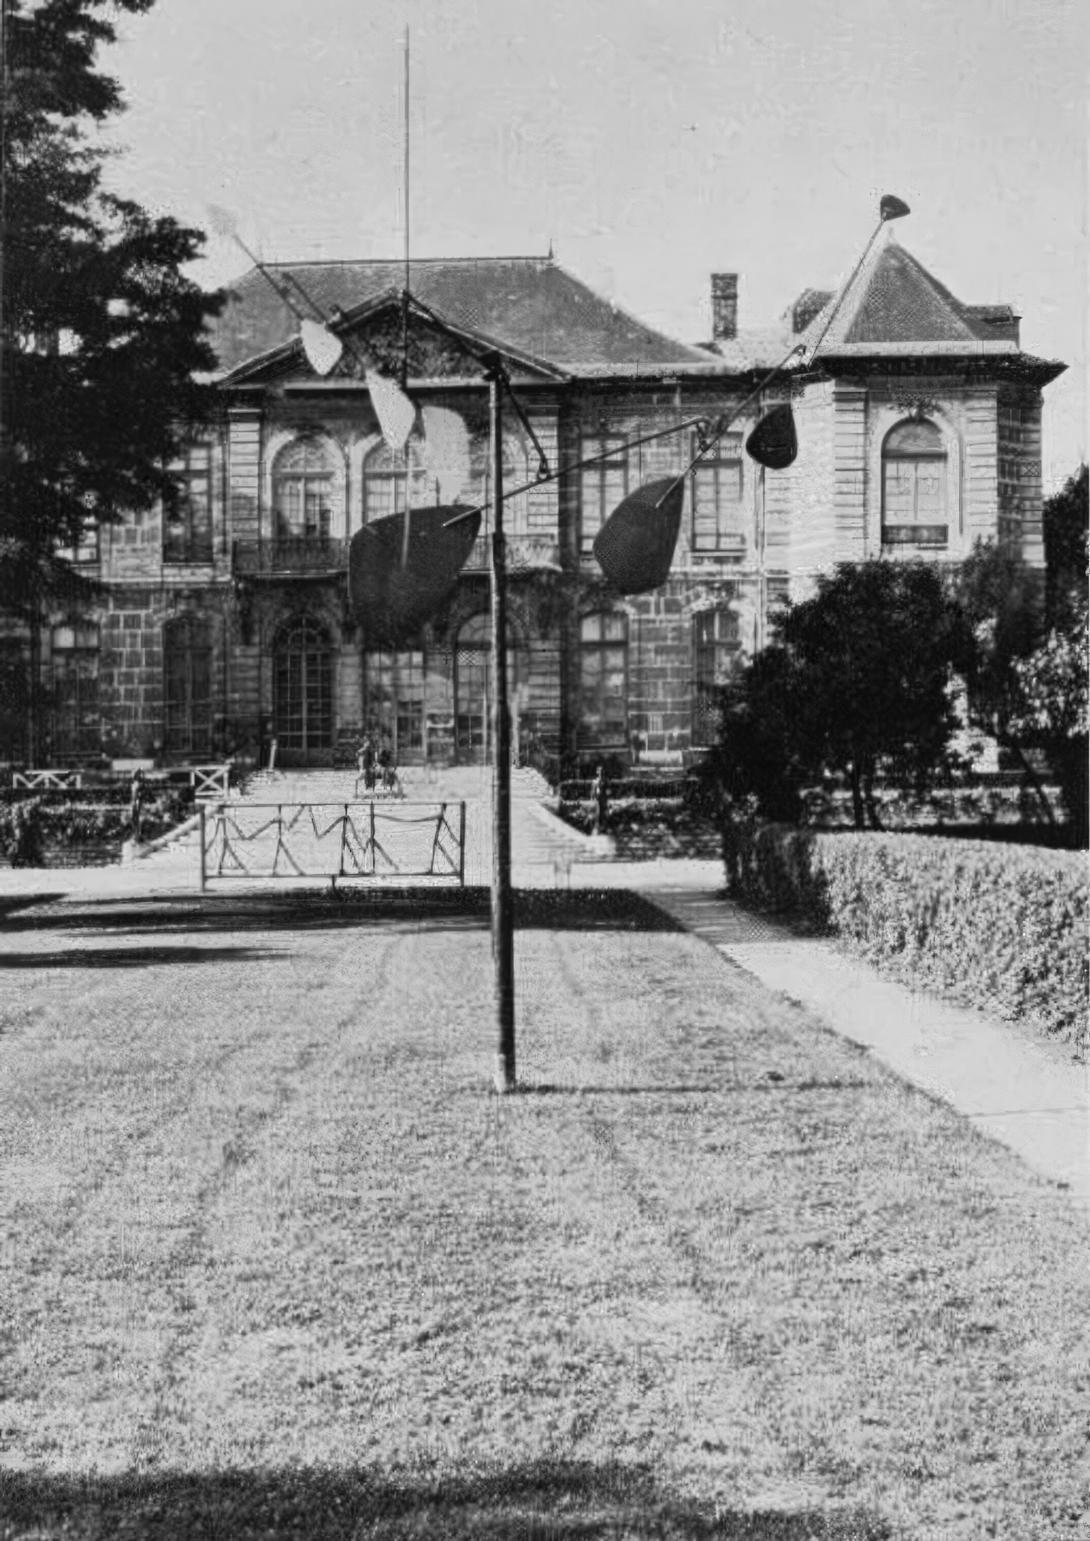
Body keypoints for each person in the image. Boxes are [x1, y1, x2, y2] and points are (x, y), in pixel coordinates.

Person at [129, 768, 146, 844]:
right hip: (135, 802)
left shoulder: (138, 784)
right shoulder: (135, 784)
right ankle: (136, 835)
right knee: (134, 820)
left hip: (137, 803)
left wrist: (135, 804)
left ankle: (138, 836)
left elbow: (138, 795)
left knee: (136, 819)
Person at [591, 764, 609, 835]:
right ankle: (597, 828)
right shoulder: (595, 781)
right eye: (599, 771)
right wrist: (593, 798)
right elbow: (592, 792)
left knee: (604, 814)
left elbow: (608, 791)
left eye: (602, 771)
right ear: (597, 772)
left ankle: (604, 829)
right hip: (597, 800)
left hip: (603, 800)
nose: (601, 772)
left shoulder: (605, 781)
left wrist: (607, 798)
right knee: (597, 814)